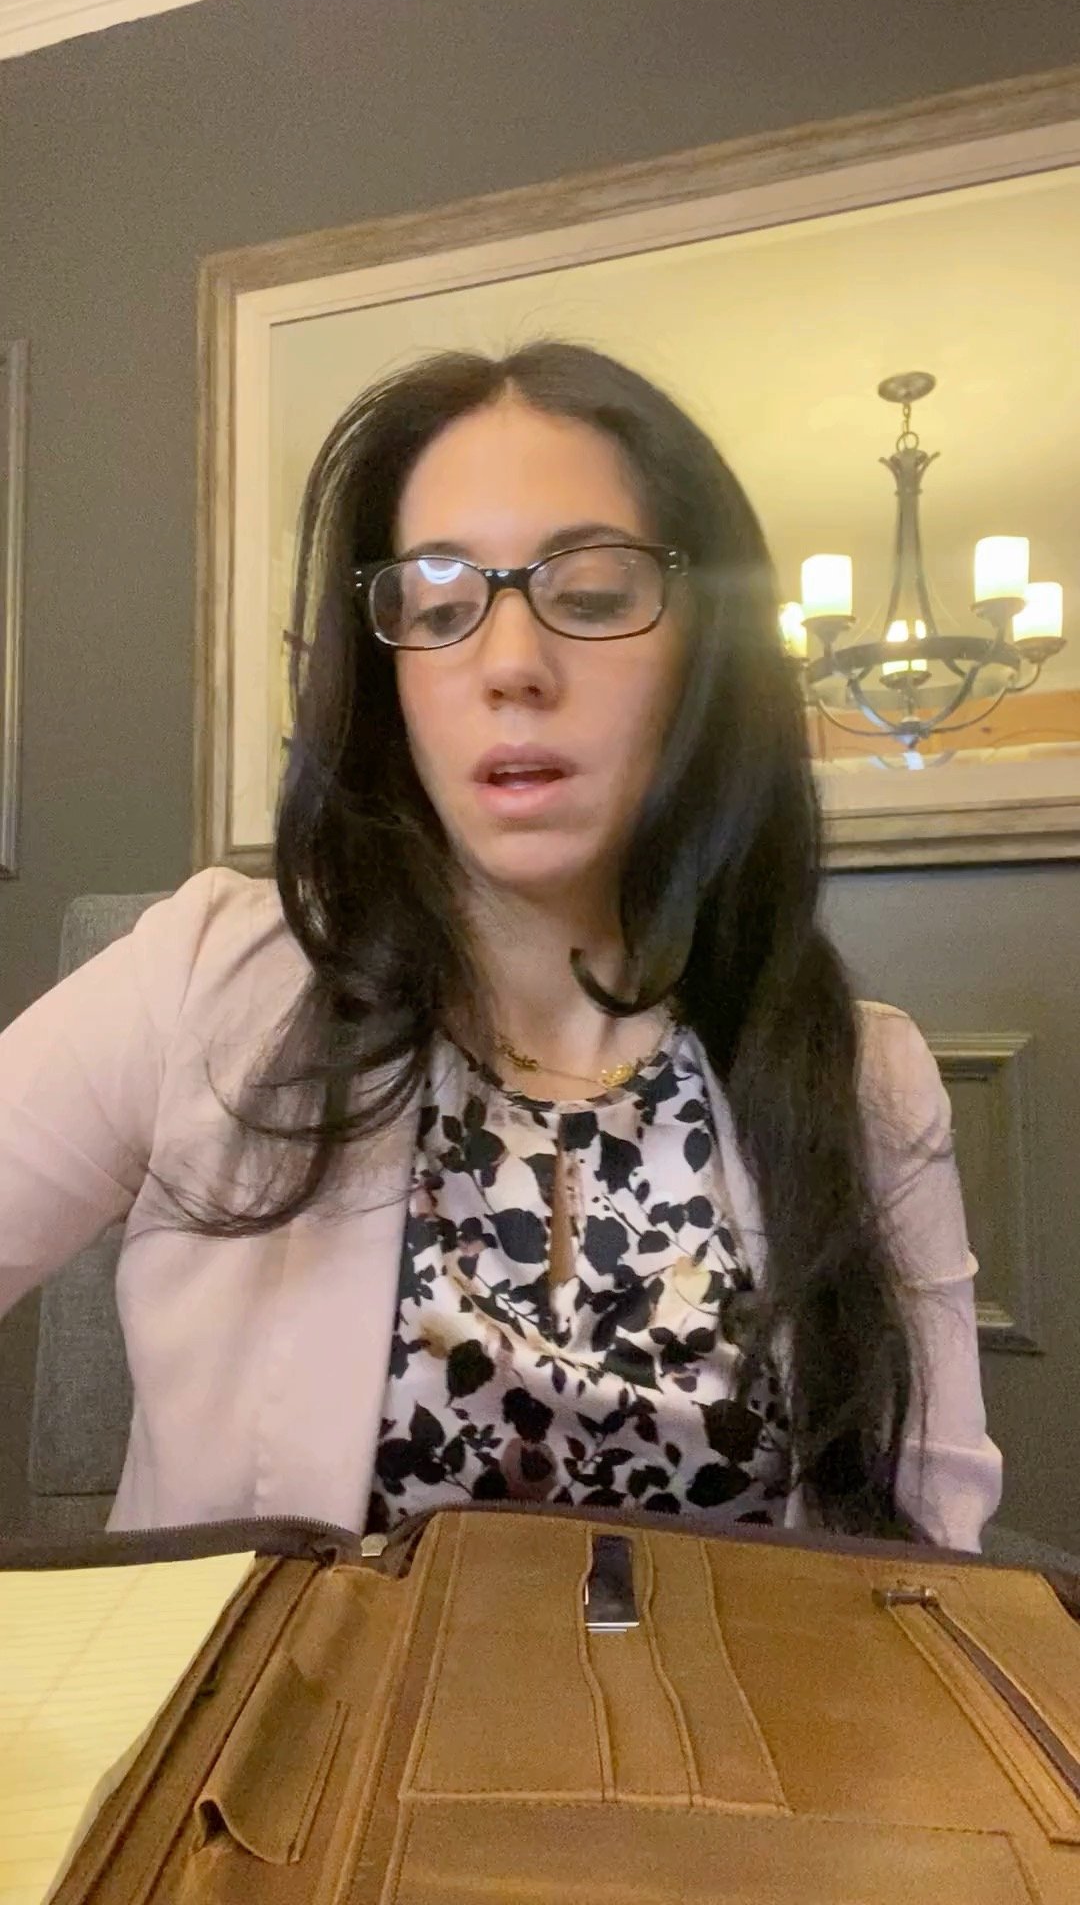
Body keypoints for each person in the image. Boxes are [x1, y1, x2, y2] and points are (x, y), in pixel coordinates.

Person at [0, 341, 1001, 1549]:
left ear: (707, 653)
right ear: (389, 678)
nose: (512, 665)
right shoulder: (203, 976)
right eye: (440, 608)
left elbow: (926, 1560)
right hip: (270, 1680)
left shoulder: (865, 1077)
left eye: (593, 597)